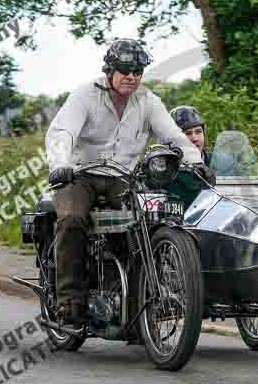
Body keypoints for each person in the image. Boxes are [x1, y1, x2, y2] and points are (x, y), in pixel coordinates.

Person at [45, 39, 215, 327]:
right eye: (125, 70)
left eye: (137, 71)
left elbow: (174, 137)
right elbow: (62, 132)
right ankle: (69, 301)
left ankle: (138, 294)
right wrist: (60, 165)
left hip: (122, 178)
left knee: (151, 219)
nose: (132, 77)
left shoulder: (147, 102)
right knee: (72, 218)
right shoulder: (85, 96)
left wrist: (196, 163)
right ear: (110, 70)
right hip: (80, 175)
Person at [169, 105, 258, 201]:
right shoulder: (162, 167)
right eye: (188, 133)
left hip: (215, 222)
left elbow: (249, 188)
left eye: (198, 132)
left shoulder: (221, 162)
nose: (195, 138)